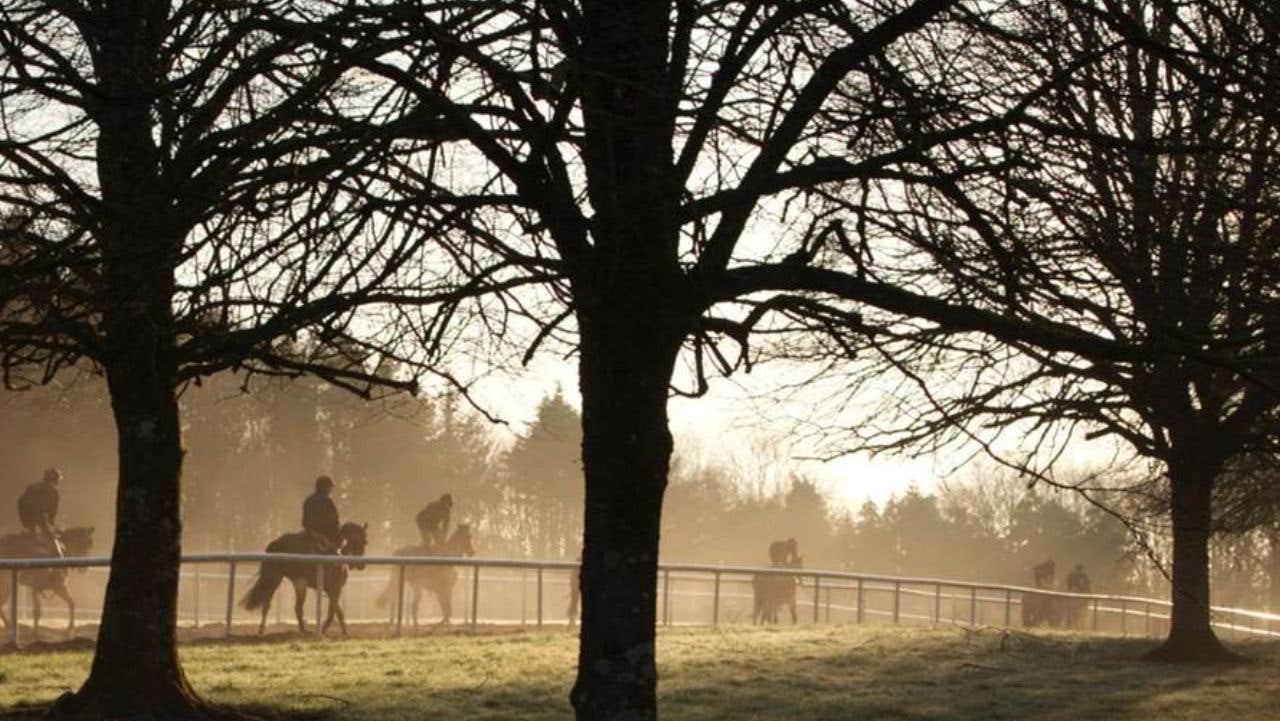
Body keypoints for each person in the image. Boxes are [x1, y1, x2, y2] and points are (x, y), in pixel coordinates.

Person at [17, 468, 63, 556]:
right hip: (40, 519)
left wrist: (26, 523)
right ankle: (61, 561)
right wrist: (51, 526)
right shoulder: (53, 492)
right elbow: (51, 515)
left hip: (26, 519)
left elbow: (20, 502)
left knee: (31, 534)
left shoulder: (31, 487)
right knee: (52, 538)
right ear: (56, 480)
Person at [302, 475, 341, 552]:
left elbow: (305, 521)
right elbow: (334, 520)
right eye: (329, 487)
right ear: (324, 487)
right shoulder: (328, 502)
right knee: (333, 551)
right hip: (323, 534)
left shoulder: (309, 500)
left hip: (308, 532)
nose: (330, 490)